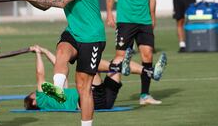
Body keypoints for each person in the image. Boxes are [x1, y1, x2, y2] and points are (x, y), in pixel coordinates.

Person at [18, 0, 106, 126]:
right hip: (73, 32)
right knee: (62, 50)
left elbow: (62, 1)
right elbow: (46, 4)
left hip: (92, 37)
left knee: (83, 88)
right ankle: (57, 89)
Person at [24, 45, 167, 110]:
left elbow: (59, 66)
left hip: (104, 101)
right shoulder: (42, 99)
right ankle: (117, 68)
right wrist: (37, 53)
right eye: (32, 94)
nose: (34, 91)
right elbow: (40, 74)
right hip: (91, 100)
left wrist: (45, 51)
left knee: (117, 61)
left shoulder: (58, 94)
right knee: (91, 64)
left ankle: (151, 72)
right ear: (34, 102)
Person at [106, 0, 161, 105]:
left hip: (144, 21)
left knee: (148, 55)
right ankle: (107, 95)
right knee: (120, 57)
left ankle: (145, 95)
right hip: (125, 21)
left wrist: (153, 17)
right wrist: (109, 13)